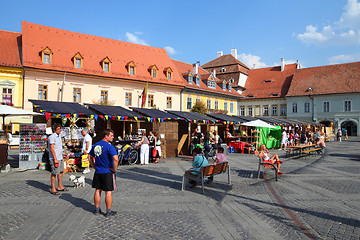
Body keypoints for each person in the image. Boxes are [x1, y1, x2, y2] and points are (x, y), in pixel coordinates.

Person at [88, 129, 118, 217]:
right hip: (107, 171)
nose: (113, 137)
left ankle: (97, 209)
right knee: (108, 192)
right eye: (111, 135)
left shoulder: (96, 145)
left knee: (98, 190)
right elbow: (116, 158)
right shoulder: (109, 146)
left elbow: (89, 156)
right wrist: (114, 169)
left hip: (98, 171)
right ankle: (108, 211)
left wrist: (93, 166)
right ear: (106, 136)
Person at [48, 123, 68, 195]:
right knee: (54, 172)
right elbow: (52, 148)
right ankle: (53, 188)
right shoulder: (52, 137)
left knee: (61, 171)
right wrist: (55, 159)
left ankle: (60, 186)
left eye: (60, 129)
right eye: (58, 129)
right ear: (54, 130)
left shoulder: (59, 136)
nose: (60, 130)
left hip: (60, 157)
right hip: (54, 158)